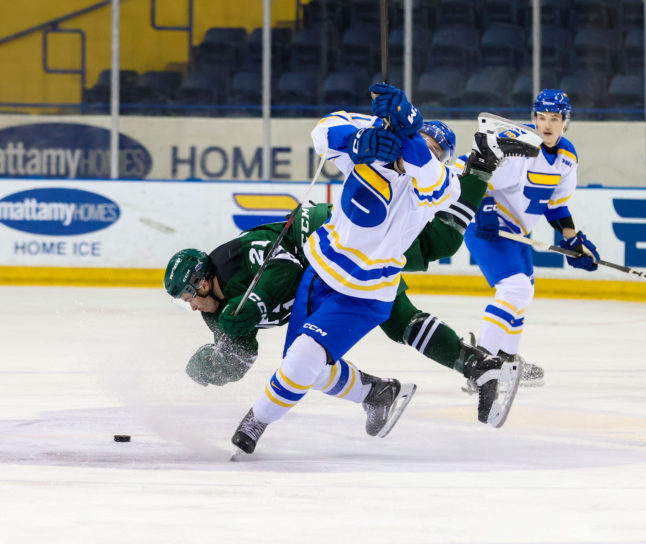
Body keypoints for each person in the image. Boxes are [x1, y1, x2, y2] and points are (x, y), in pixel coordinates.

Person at [164, 118, 543, 438]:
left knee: (428, 263)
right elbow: (241, 347)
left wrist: (256, 303)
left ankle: (432, 377)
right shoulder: (214, 305)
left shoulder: (233, 259)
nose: (192, 304)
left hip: (338, 243)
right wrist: (219, 364)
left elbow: (283, 270)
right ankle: (416, 382)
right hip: (338, 268)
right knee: (329, 351)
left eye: (434, 151)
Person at [464, 90, 601, 366]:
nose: (547, 125)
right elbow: (469, 171)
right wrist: (483, 207)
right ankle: (478, 363)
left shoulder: (567, 158)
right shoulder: (518, 144)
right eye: (541, 117)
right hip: (487, 225)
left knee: (525, 288)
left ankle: (507, 358)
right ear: (534, 119)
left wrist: (573, 241)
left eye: (554, 118)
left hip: (516, 231)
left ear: (565, 121)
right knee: (515, 288)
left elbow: (555, 207)